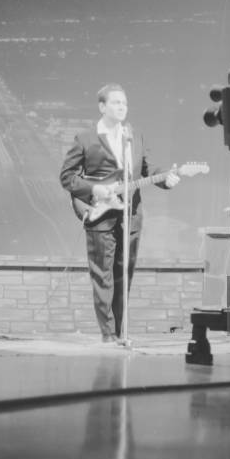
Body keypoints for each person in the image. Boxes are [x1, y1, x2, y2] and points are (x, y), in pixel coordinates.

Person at [60, 83, 180, 342]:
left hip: (131, 215)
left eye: (124, 103)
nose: (122, 107)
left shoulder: (133, 136)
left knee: (124, 274)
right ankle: (108, 335)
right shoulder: (85, 138)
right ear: (102, 106)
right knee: (103, 276)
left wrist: (166, 178)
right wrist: (96, 190)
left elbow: (148, 168)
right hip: (100, 215)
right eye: (116, 102)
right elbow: (67, 177)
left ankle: (120, 332)